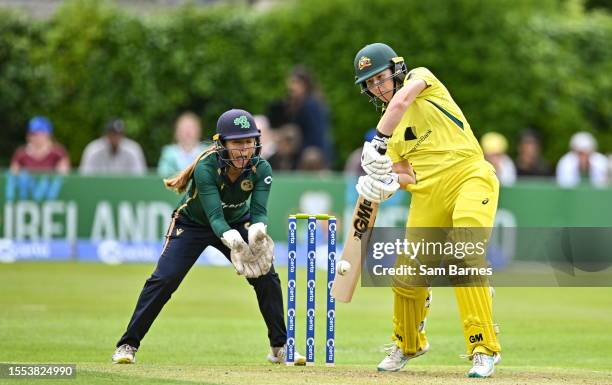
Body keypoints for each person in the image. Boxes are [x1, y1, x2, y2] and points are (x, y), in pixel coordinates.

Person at [352, 43, 501, 377]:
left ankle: (483, 349)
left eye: (381, 78)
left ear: (396, 70)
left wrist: (376, 140)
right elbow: (408, 173)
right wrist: (387, 179)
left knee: (464, 255)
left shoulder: (421, 78)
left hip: (470, 176)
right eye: (371, 83)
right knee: (407, 275)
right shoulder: (391, 135)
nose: (378, 87)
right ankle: (408, 343)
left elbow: (402, 100)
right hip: (428, 196)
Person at [111, 109, 305, 365]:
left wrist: (257, 236)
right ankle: (127, 345)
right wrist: (236, 243)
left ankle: (279, 347)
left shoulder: (262, 167)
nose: (244, 150)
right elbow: (215, 218)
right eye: (237, 143)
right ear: (221, 144)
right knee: (164, 279)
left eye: (249, 142)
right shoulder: (206, 166)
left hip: (238, 220)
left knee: (266, 276)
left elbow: (259, 213)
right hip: (193, 224)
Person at [285, 66, 333, 167]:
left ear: (304, 84)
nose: (291, 86)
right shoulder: (303, 103)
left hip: (313, 156)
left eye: (295, 82)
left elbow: (316, 132)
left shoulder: (310, 104)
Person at [79, 119, 147, 175]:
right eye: (113, 134)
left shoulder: (133, 149)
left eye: (119, 134)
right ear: (106, 134)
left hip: (126, 189)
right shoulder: (93, 149)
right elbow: (85, 175)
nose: (116, 137)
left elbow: (140, 176)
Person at [157, 112, 208, 177]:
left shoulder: (207, 152)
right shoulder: (168, 153)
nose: (187, 132)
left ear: (199, 131)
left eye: (191, 128)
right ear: (176, 132)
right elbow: (162, 175)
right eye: (183, 128)